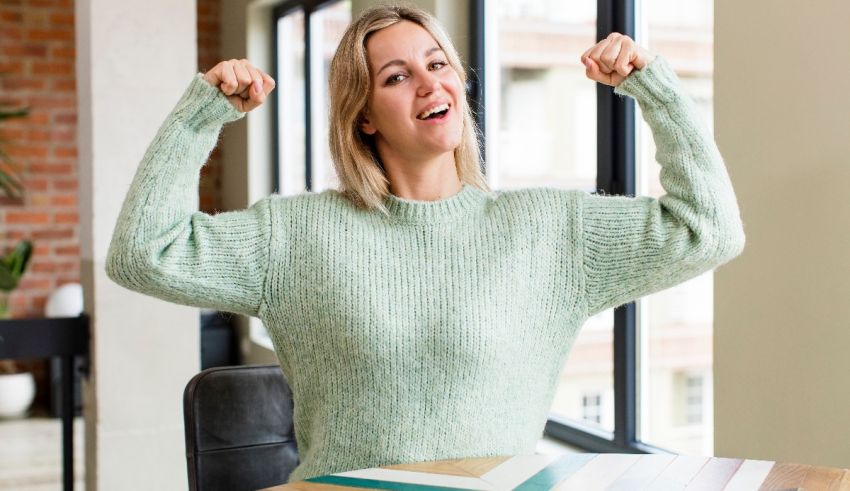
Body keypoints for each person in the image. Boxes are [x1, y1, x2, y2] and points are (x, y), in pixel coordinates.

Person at [106, 4, 745, 484]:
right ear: (362, 113)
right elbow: (143, 253)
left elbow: (708, 228)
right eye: (396, 75)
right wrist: (200, 115)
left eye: (438, 64)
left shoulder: (551, 230)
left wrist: (653, 90)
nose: (429, 83)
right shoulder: (294, 236)